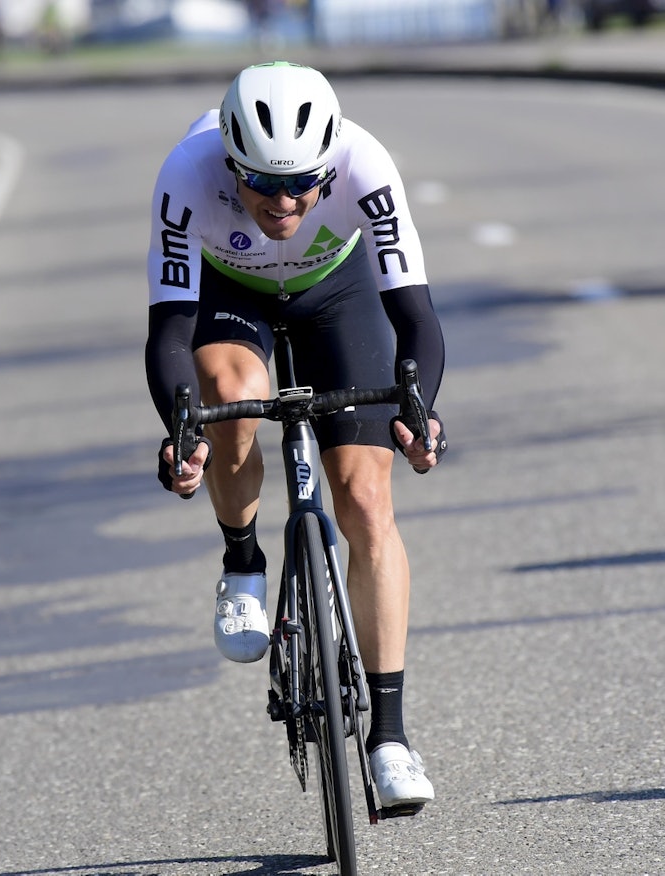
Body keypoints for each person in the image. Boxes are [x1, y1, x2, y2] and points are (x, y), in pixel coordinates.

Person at [144, 62, 447, 812]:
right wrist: (181, 432)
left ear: (330, 163)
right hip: (229, 292)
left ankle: (390, 738)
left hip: (334, 295)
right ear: (230, 163)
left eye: (303, 184)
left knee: (367, 502)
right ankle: (242, 561)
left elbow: (416, 319)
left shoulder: (366, 165)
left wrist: (421, 408)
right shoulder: (187, 172)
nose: (284, 202)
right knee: (229, 398)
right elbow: (169, 334)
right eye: (263, 184)